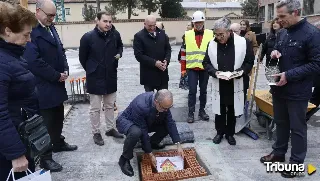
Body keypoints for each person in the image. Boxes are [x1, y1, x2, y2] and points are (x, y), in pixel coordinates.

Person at [260, 0, 320, 178]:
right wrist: (274, 52)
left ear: (296, 13)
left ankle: (296, 163)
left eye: (282, 16)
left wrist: (289, 75)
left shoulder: (312, 34)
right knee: (281, 123)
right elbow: (278, 49)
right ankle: (278, 153)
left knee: (297, 128)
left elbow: (317, 64)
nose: (278, 20)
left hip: (298, 91)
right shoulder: (282, 32)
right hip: (279, 89)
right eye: (277, 16)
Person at [23, 0, 77, 172]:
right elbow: (34, 61)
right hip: (44, 86)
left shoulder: (50, 26)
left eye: (54, 15)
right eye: (49, 15)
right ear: (38, 11)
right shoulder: (32, 30)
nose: (52, 19)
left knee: (58, 117)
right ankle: (46, 158)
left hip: (57, 84)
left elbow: (60, 50)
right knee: (47, 123)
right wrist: (56, 75)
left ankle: (58, 143)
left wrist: (66, 68)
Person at [0, 2, 38, 180]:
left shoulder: (11, 55)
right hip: (9, 149)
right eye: (26, 34)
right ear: (7, 31)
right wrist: (16, 154)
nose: (29, 40)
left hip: (20, 134)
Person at [202, 17, 254, 145]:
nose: (219, 37)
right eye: (216, 34)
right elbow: (206, 62)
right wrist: (214, 72)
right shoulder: (211, 44)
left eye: (221, 34)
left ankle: (230, 133)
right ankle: (219, 132)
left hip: (235, 82)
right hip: (219, 82)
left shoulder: (243, 42)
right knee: (219, 109)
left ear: (229, 31)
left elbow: (249, 62)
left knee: (232, 109)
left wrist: (240, 72)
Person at [79, 11, 124, 146]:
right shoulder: (88, 37)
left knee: (110, 105)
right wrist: (92, 69)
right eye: (105, 21)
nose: (108, 24)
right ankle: (96, 132)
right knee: (95, 108)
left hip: (110, 75)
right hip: (95, 77)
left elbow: (120, 46)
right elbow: (82, 58)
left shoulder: (115, 35)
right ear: (97, 21)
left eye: (110, 21)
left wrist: (119, 54)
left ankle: (110, 128)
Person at [116, 89, 184, 177]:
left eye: (169, 108)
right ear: (156, 102)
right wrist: (150, 154)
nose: (167, 110)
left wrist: (178, 145)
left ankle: (152, 143)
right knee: (136, 133)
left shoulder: (163, 105)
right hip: (129, 121)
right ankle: (124, 159)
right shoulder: (141, 105)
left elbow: (170, 122)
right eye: (164, 108)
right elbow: (143, 131)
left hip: (148, 120)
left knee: (167, 126)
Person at [180, 11, 213, 123]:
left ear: (203, 22)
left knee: (203, 91)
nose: (198, 24)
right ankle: (191, 112)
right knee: (192, 91)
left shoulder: (210, 34)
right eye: (196, 22)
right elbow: (183, 53)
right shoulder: (187, 35)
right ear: (193, 23)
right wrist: (183, 69)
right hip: (192, 68)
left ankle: (202, 111)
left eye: (200, 22)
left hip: (205, 69)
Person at [133, 15, 172, 92]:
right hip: (148, 75)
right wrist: (154, 63)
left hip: (162, 75)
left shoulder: (162, 34)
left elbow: (168, 49)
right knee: (149, 100)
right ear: (144, 24)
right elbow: (139, 55)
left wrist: (166, 60)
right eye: (149, 26)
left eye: (154, 25)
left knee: (163, 100)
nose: (152, 28)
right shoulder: (139, 36)